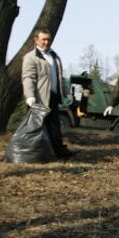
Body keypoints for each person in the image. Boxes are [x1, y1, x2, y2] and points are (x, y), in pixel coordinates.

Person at [22, 28, 77, 159]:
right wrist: (29, 96)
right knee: (36, 129)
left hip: (53, 97)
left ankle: (60, 153)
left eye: (48, 39)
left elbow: (60, 77)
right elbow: (28, 77)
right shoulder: (31, 57)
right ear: (36, 40)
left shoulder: (54, 56)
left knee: (54, 127)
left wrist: (67, 93)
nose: (46, 42)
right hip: (38, 99)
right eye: (43, 39)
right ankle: (32, 155)